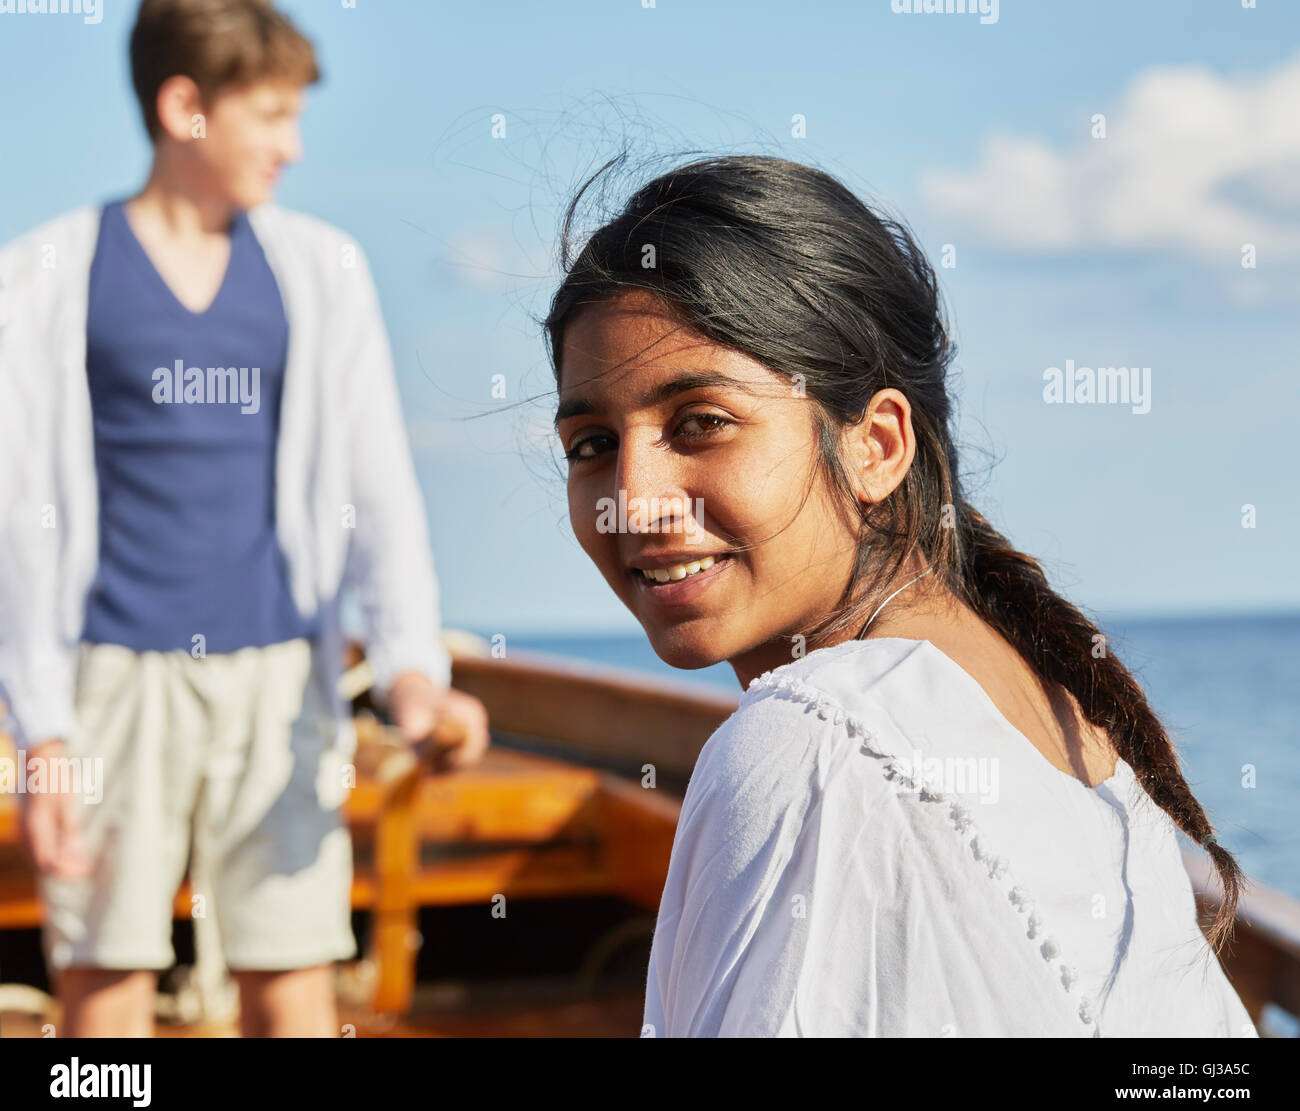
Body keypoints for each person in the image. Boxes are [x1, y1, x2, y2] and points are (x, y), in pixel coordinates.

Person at [544, 154, 1258, 1037]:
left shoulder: (812, 744)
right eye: (591, 444)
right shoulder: (1055, 708)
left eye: (701, 423)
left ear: (876, 445)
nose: (633, 496)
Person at [0, 0, 489, 1037]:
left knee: (292, 975)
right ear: (184, 106)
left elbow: (378, 489)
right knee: (104, 978)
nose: (292, 145)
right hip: (109, 684)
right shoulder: (45, 276)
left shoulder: (321, 270)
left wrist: (409, 669)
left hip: (279, 684)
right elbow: (13, 521)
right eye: (269, 116)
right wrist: (41, 734)